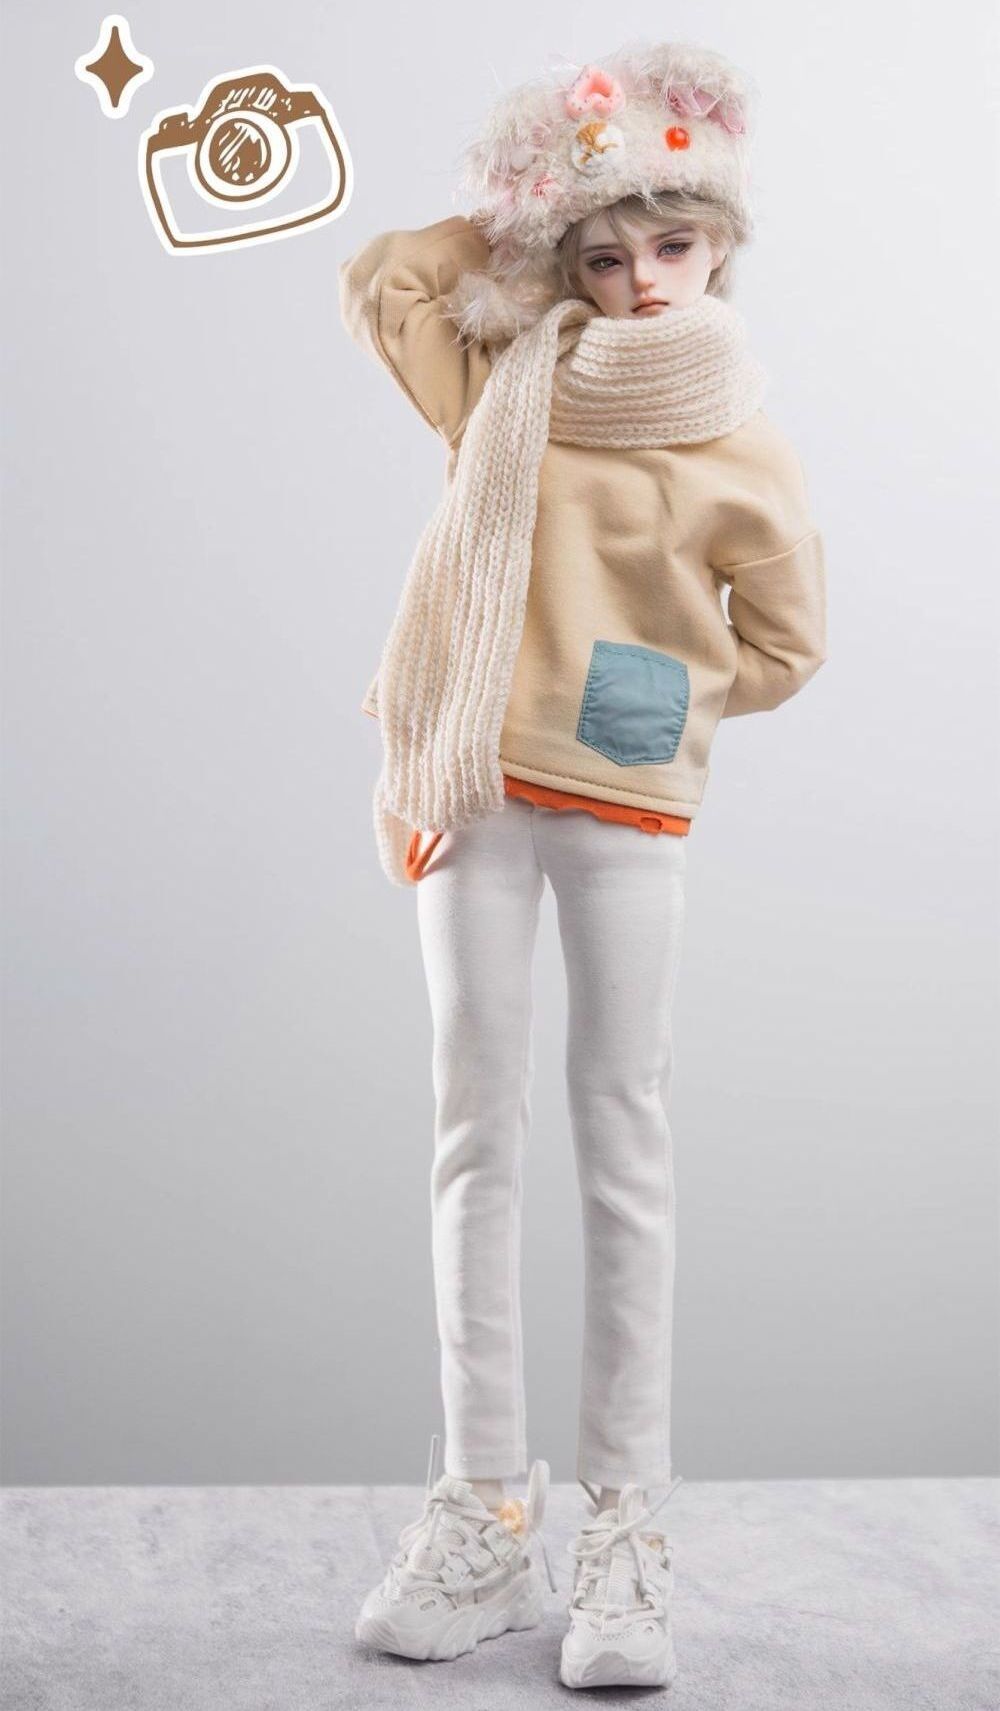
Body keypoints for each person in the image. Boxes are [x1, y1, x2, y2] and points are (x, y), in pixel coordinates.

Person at [339, 38, 827, 1691]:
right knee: (472, 1133)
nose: (639, 283)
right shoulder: (507, 374)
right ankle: (485, 1513)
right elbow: (390, 278)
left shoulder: (743, 435)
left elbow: (787, 645)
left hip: (623, 806)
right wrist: (535, 203)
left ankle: (627, 1527)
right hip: (466, 787)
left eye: (674, 244)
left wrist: (637, 707)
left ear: (723, 246)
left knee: (624, 1138)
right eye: (605, 256)